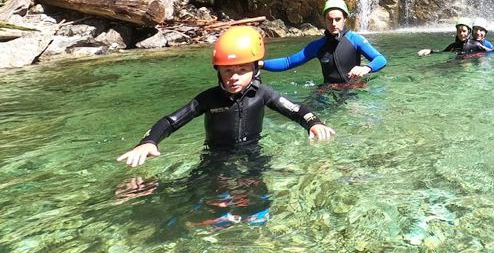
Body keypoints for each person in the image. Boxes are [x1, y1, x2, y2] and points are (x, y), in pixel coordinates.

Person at [117, 26, 334, 168]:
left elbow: (295, 109)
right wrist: (148, 141)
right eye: (227, 71)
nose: (234, 77)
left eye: (242, 70)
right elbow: (171, 121)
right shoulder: (208, 99)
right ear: (218, 70)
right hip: (215, 157)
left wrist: (313, 123)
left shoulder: (263, 93)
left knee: (256, 199)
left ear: (255, 70)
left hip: (253, 154)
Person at [261, 0, 387, 84]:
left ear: (345, 19)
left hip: (355, 89)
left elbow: (380, 59)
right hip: (329, 90)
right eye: (329, 19)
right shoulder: (317, 46)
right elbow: (288, 62)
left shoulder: (355, 39)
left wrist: (366, 68)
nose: (333, 23)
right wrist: (260, 64)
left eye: (338, 19)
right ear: (324, 20)